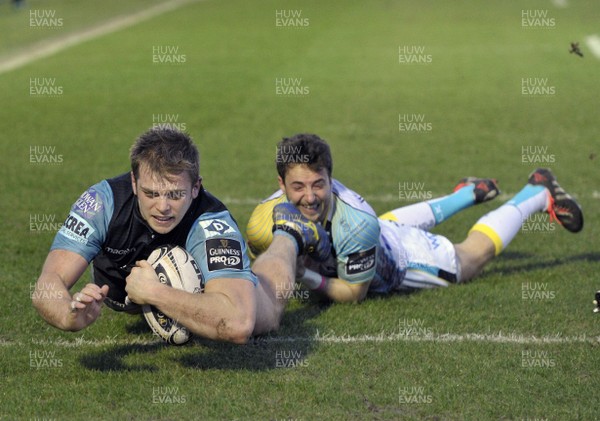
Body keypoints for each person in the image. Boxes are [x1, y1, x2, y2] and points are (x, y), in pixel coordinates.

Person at [246, 133, 584, 304]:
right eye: (298, 187)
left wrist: (302, 273)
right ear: (281, 185)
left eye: (319, 184)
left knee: (469, 258)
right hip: (380, 230)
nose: (309, 196)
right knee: (384, 225)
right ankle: (469, 193)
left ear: (331, 178)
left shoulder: (356, 225)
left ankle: (536, 193)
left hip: (400, 259)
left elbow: (353, 292)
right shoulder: (271, 208)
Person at [32, 128, 266, 343]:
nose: (162, 206)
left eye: (175, 195)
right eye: (151, 193)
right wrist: (68, 315)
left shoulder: (213, 221)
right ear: (134, 183)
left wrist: (154, 292)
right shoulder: (101, 203)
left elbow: (238, 324)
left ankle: (286, 237)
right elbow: (49, 282)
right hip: (119, 297)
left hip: (193, 290)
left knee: (266, 315)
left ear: (196, 188)